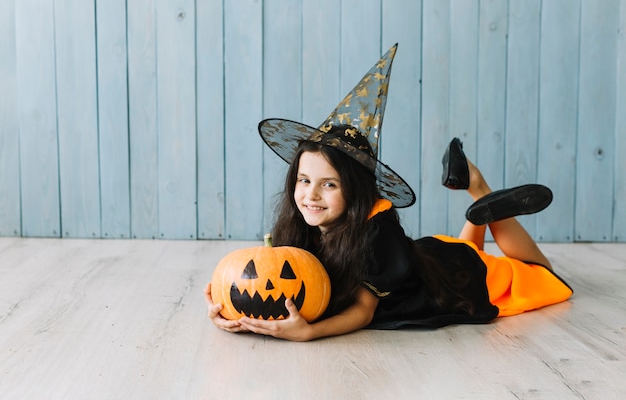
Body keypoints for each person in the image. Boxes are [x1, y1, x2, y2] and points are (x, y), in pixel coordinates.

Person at [205, 45, 573, 341]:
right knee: (465, 252)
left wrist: (309, 332)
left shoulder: (379, 233)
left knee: (540, 273)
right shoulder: (300, 224)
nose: (310, 195)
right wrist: (229, 304)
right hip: (431, 262)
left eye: (329, 184)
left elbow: (363, 311)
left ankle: (482, 193)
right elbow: (277, 277)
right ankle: (476, 203)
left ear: (358, 189)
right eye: (304, 180)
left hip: (446, 286)